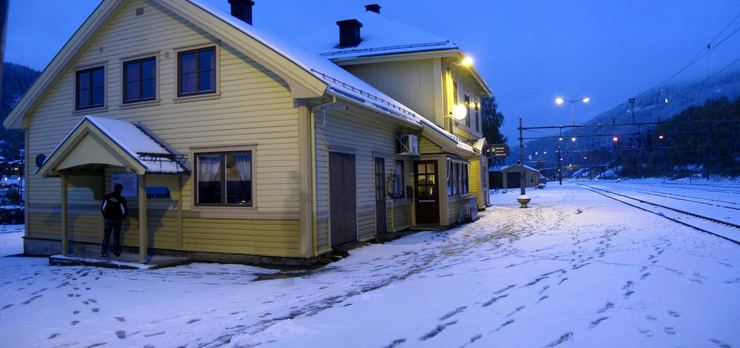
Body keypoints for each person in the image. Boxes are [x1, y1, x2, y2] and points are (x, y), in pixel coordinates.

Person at [101, 183, 128, 257]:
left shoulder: (107, 196)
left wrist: (105, 216)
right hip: (117, 220)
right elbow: (125, 210)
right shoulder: (121, 198)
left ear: (114, 188)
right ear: (120, 190)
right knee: (116, 237)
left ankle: (104, 252)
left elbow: (103, 208)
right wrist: (121, 218)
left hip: (108, 219)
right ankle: (115, 253)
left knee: (106, 236)